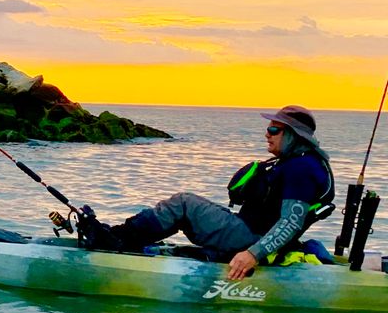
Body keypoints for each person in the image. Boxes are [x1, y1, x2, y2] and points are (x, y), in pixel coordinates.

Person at [83, 105, 335, 280]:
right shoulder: (292, 162)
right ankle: (122, 239)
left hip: (252, 238)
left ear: (294, 135)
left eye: (273, 130)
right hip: (247, 229)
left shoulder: (302, 168)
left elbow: (291, 222)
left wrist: (252, 254)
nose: (266, 135)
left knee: (184, 203)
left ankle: (115, 240)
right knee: (188, 206)